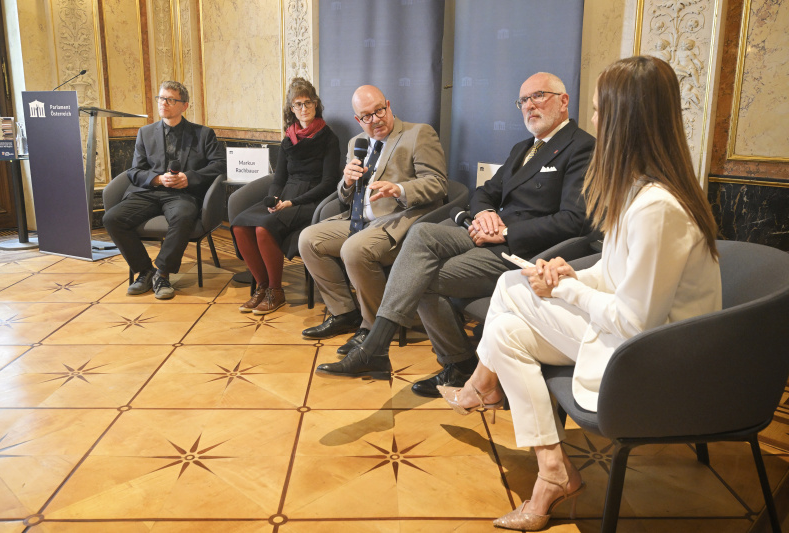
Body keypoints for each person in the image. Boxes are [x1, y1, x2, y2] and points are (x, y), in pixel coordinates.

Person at [439, 56, 722, 531]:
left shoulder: (657, 207)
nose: (591, 122)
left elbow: (637, 323)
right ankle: (552, 470)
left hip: (658, 359)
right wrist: (573, 274)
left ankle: (480, 386)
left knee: (509, 285)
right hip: (638, 339)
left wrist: (567, 290)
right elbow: (617, 276)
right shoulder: (639, 191)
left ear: (624, 119)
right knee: (506, 329)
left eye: (596, 110)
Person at [315, 73, 595, 385]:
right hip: (485, 234)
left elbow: (574, 221)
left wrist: (504, 233)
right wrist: (486, 213)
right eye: (524, 100)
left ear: (563, 100)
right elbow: (485, 192)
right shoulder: (523, 148)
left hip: (523, 251)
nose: (529, 105)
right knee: (421, 234)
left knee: (422, 278)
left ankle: (455, 363)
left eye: (538, 96)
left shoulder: (581, 147)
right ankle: (378, 347)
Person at [298, 85, 448, 351]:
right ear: (358, 120)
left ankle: (376, 327)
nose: (375, 119)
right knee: (308, 239)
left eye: (379, 110)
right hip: (359, 220)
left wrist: (400, 189)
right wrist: (346, 182)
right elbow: (344, 198)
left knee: (354, 249)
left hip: (399, 221)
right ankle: (344, 312)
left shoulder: (418, 134)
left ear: (388, 105)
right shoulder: (356, 143)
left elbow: (438, 184)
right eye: (366, 116)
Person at [104, 81, 226, 300]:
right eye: (161, 98)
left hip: (183, 193)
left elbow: (219, 165)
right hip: (150, 191)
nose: (163, 104)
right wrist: (157, 179)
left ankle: (162, 273)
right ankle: (145, 270)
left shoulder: (203, 134)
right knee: (112, 218)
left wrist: (189, 178)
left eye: (170, 100)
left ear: (184, 105)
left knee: (184, 215)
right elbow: (134, 170)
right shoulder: (146, 133)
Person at [230, 78, 340, 314]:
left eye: (308, 103)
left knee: (263, 228)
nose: (303, 109)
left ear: (316, 104)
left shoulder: (329, 138)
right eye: (298, 104)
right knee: (239, 224)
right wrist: (272, 200)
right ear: (291, 109)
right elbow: (278, 179)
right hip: (287, 194)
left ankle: (276, 291)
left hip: (312, 199)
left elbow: (329, 182)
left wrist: (292, 202)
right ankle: (262, 287)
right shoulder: (287, 139)